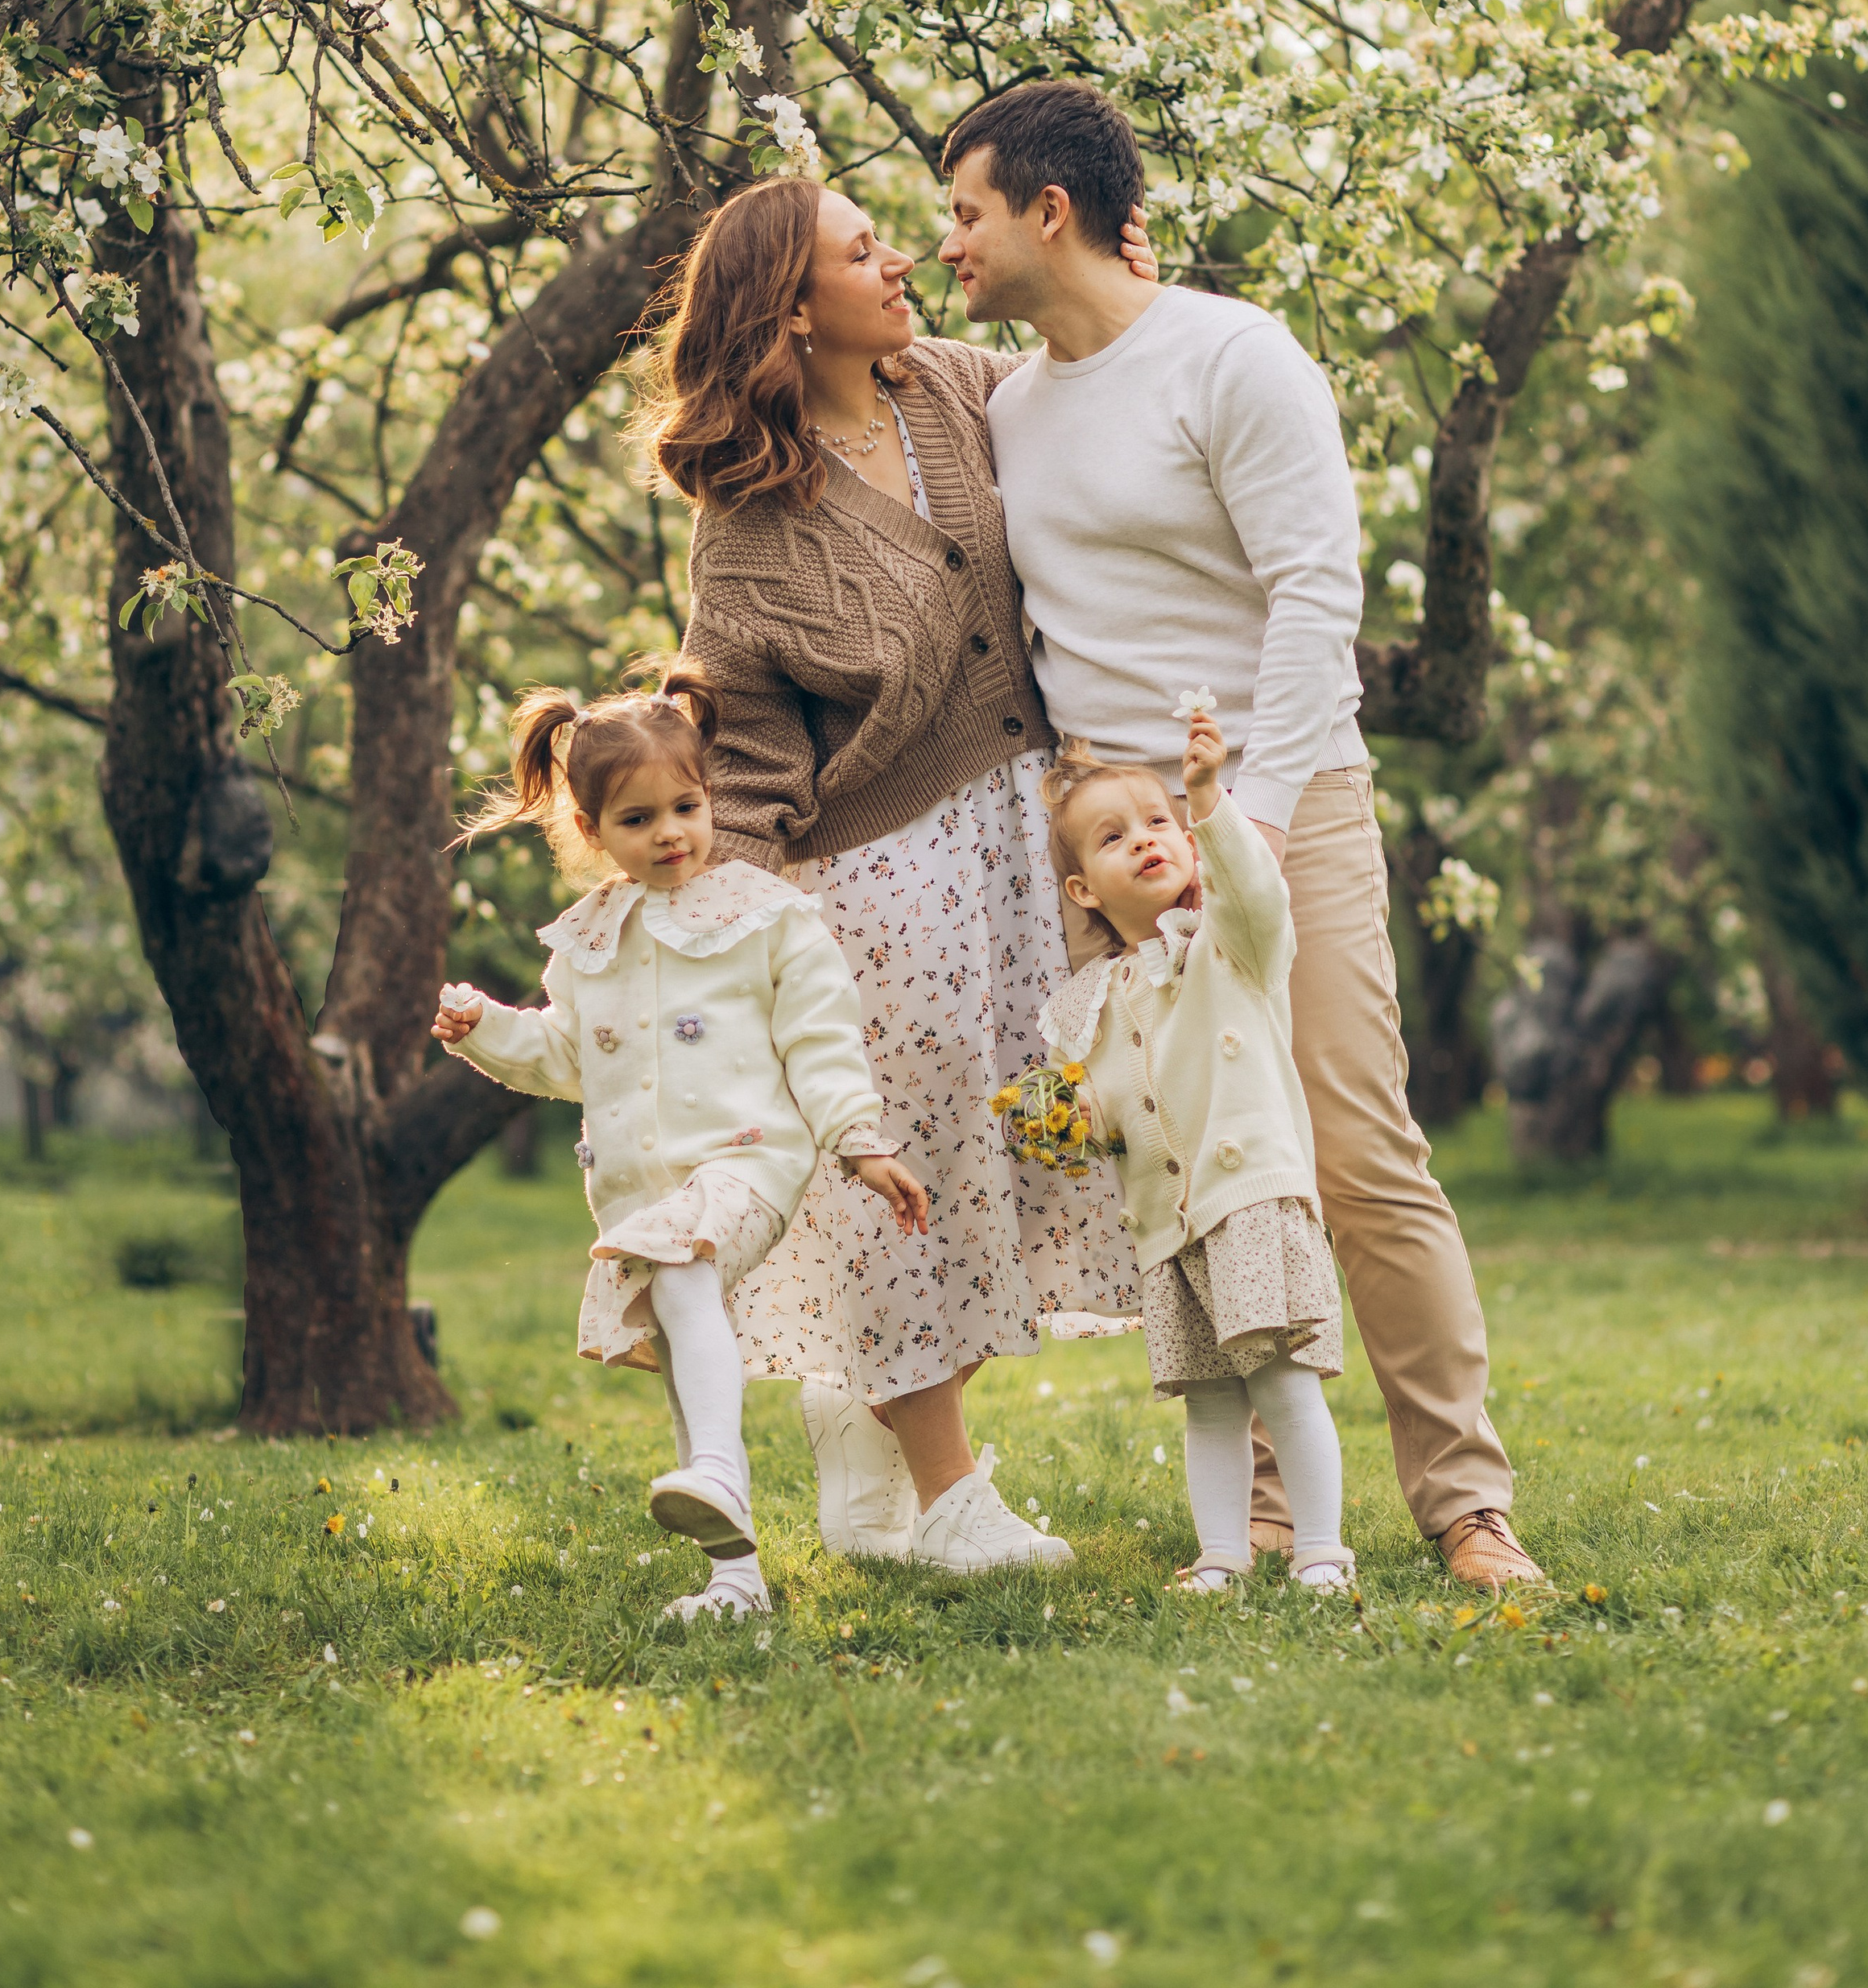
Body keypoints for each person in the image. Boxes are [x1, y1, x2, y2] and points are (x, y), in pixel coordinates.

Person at [941, 80, 1547, 1593]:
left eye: (963, 211)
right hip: (1112, 829)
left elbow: (1313, 597)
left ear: (1049, 212)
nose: (944, 242)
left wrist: (1246, 825)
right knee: (1206, 1167)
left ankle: (1467, 1503)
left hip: (1281, 797)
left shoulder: (1236, 354)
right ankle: (1269, 1506)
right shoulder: (1007, 401)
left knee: (1353, 1150)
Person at [655, 176, 1152, 1573]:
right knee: (904, 1176)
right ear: (790, 309)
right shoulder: (749, 519)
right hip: (878, 879)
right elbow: (743, 739)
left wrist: (1120, 280)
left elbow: (1085, 376)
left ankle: (859, 1413)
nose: (899, 261)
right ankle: (950, 1499)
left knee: (1017, 1152)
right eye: (860, 250)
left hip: (1018, 847)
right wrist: (725, 925)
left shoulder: (949, 383)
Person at [431, 665, 928, 1623]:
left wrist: (858, 1139)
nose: (669, 833)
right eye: (637, 819)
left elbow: (819, 1037)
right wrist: (487, 1025)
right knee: (680, 1325)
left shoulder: (763, 915)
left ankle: (714, 1471)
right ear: (589, 832)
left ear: (710, 799)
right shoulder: (588, 939)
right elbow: (567, 1055)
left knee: (685, 1265)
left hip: (747, 1160)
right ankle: (733, 1573)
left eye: (686, 806)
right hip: (637, 1191)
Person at [1040, 703, 1353, 1596]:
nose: (1145, 839)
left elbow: (1253, 890)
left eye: (1158, 822)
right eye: (1111, 836)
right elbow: (1103, 1109)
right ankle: (1220, 1552)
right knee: (1211, 1404)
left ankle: (1322, 1549)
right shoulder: (1089, 1002)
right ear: (1084, 891)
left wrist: (1212, 802)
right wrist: (1063, 1115)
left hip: (1250, 1199)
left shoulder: (1230, 945)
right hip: (1169, 1230)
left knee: (1285, 1386)